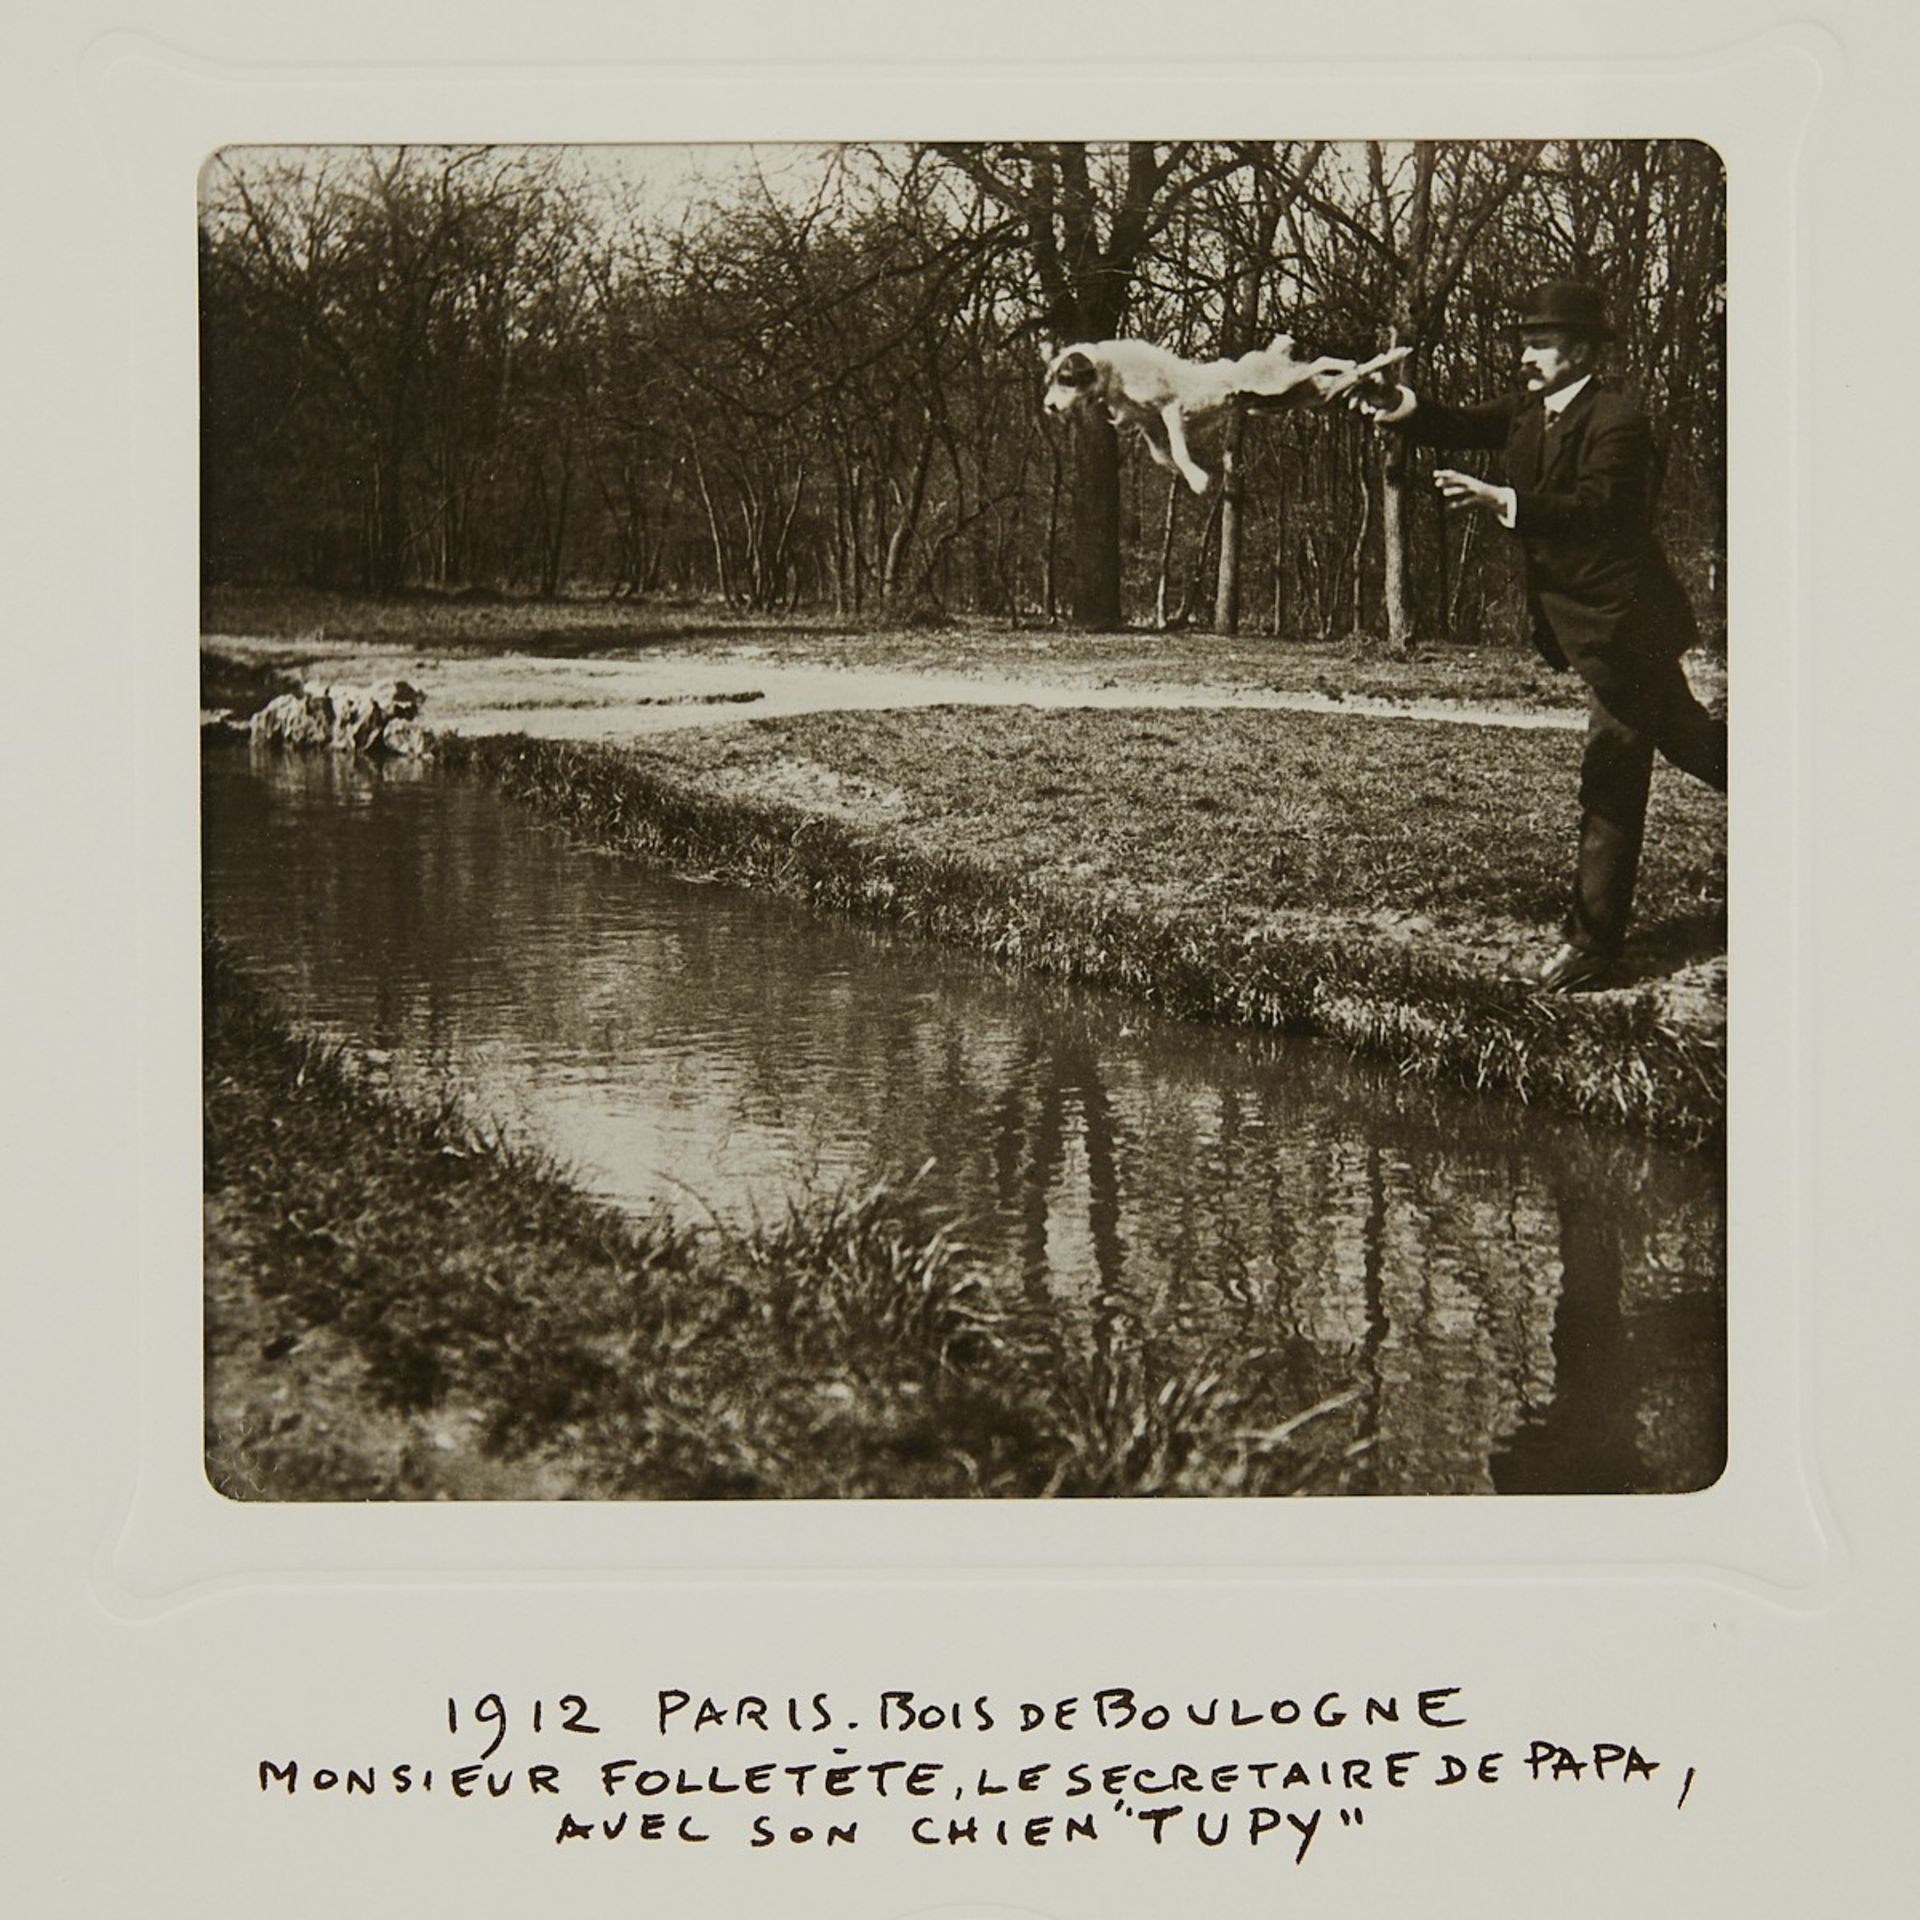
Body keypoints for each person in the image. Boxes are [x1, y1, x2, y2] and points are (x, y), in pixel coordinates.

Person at [1348, 280, 1726, 992]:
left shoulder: (1620, 420)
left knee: (1612, 769)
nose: (1524, 355)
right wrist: (1394, 404)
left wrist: (1503, 500)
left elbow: (1600, 510)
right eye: (1523, 342)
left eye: (1540, 343)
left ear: (1581, 351)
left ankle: (1592, 948)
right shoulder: (1529, 413)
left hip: (1627, 625)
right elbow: (1457, 422)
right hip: (1586, 627)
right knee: (1692, 742)